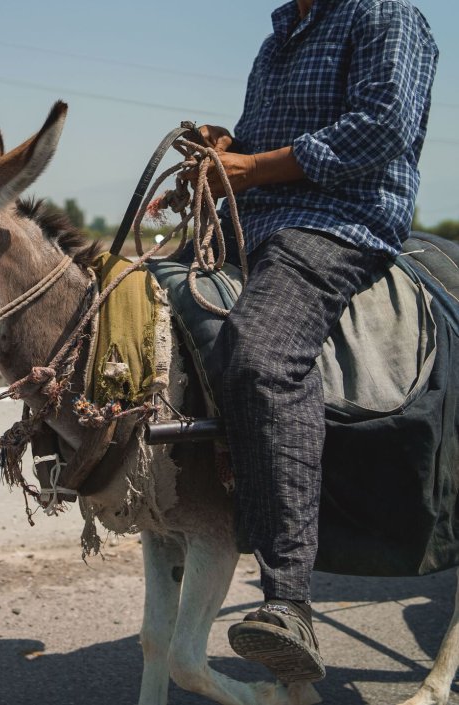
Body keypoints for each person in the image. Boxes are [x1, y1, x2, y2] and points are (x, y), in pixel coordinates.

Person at [189, 0, 438, 683]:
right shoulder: (281, 35)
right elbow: (263, 147)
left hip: (337, 222)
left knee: (261, 356)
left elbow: (379, 128)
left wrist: (250, 167)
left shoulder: (387, 14)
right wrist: (225, 149)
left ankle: (290, 600)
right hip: (254, 222)